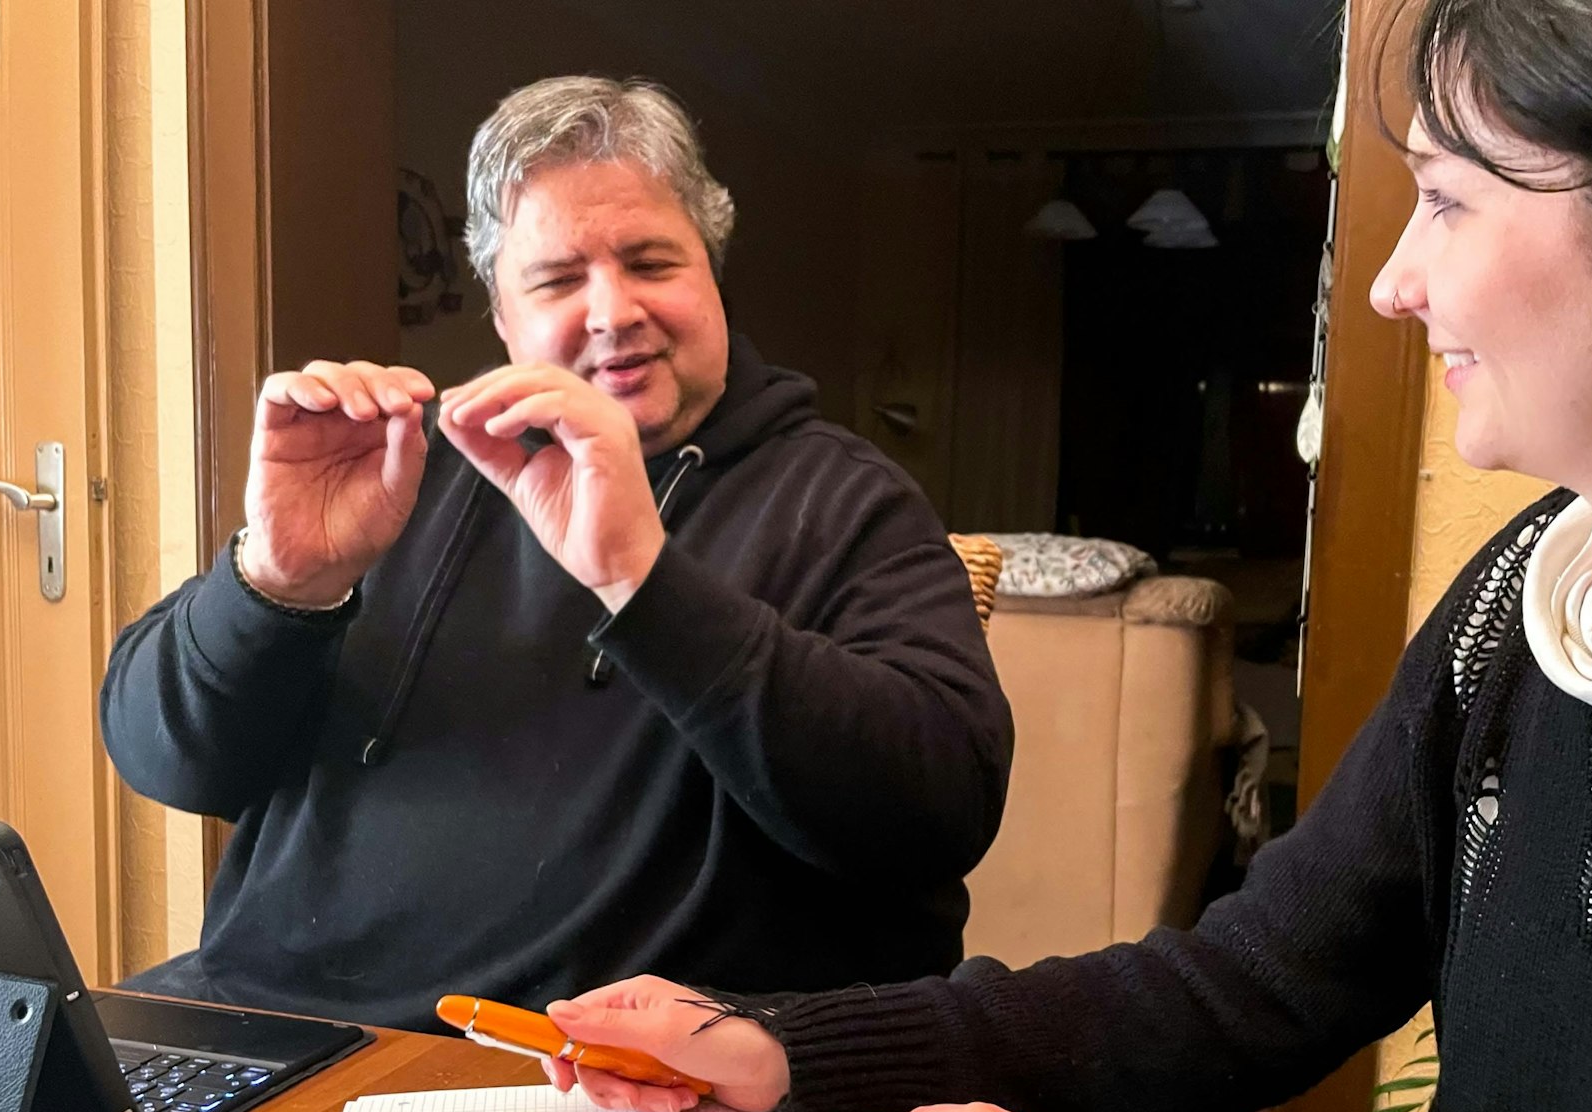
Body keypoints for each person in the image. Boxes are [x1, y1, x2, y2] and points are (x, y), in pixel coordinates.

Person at [520, 0, 1592, 1112]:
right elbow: (1246, 983)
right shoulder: (1525, 600)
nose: (1394, 284)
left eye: (1446, 199)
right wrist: (785, 1050)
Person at [100, 76, 1013, 1032]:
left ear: (711, 274)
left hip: (575, 1062)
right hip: (271, 1021)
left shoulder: (844, 498)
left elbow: (941, 810)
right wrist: (278, 583)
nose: (613, 311)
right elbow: (167, 761)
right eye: (558, 279)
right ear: (502, 317)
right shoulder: (395, 466)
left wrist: (644, 582)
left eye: (650, 262)